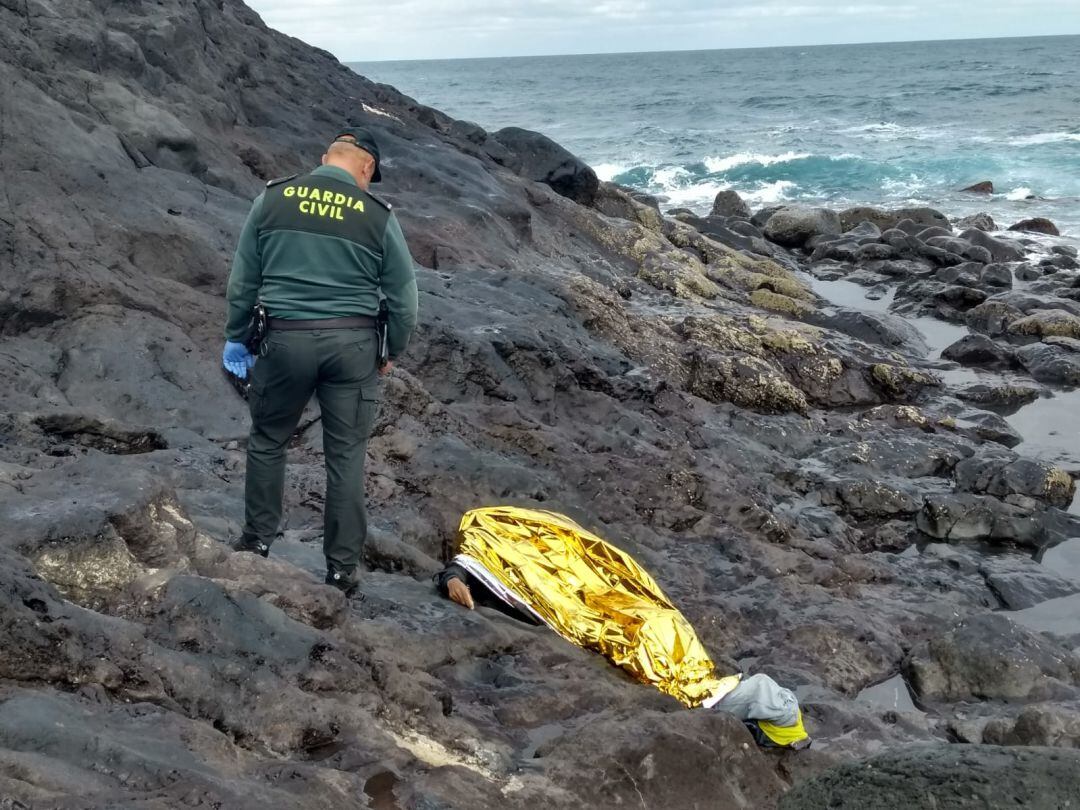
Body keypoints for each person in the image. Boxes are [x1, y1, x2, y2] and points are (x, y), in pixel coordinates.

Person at [222, 127, 418, 597]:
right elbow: (404, 299)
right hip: (353, 348)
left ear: (326, 157)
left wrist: (236, 338)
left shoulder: (272, 199)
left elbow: (242, 281)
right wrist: (391, 351)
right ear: (366, 167)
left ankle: (256, 544)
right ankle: (340, 572)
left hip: (283, 342)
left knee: (268, 441)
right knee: (346, 457)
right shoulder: (377, 216)